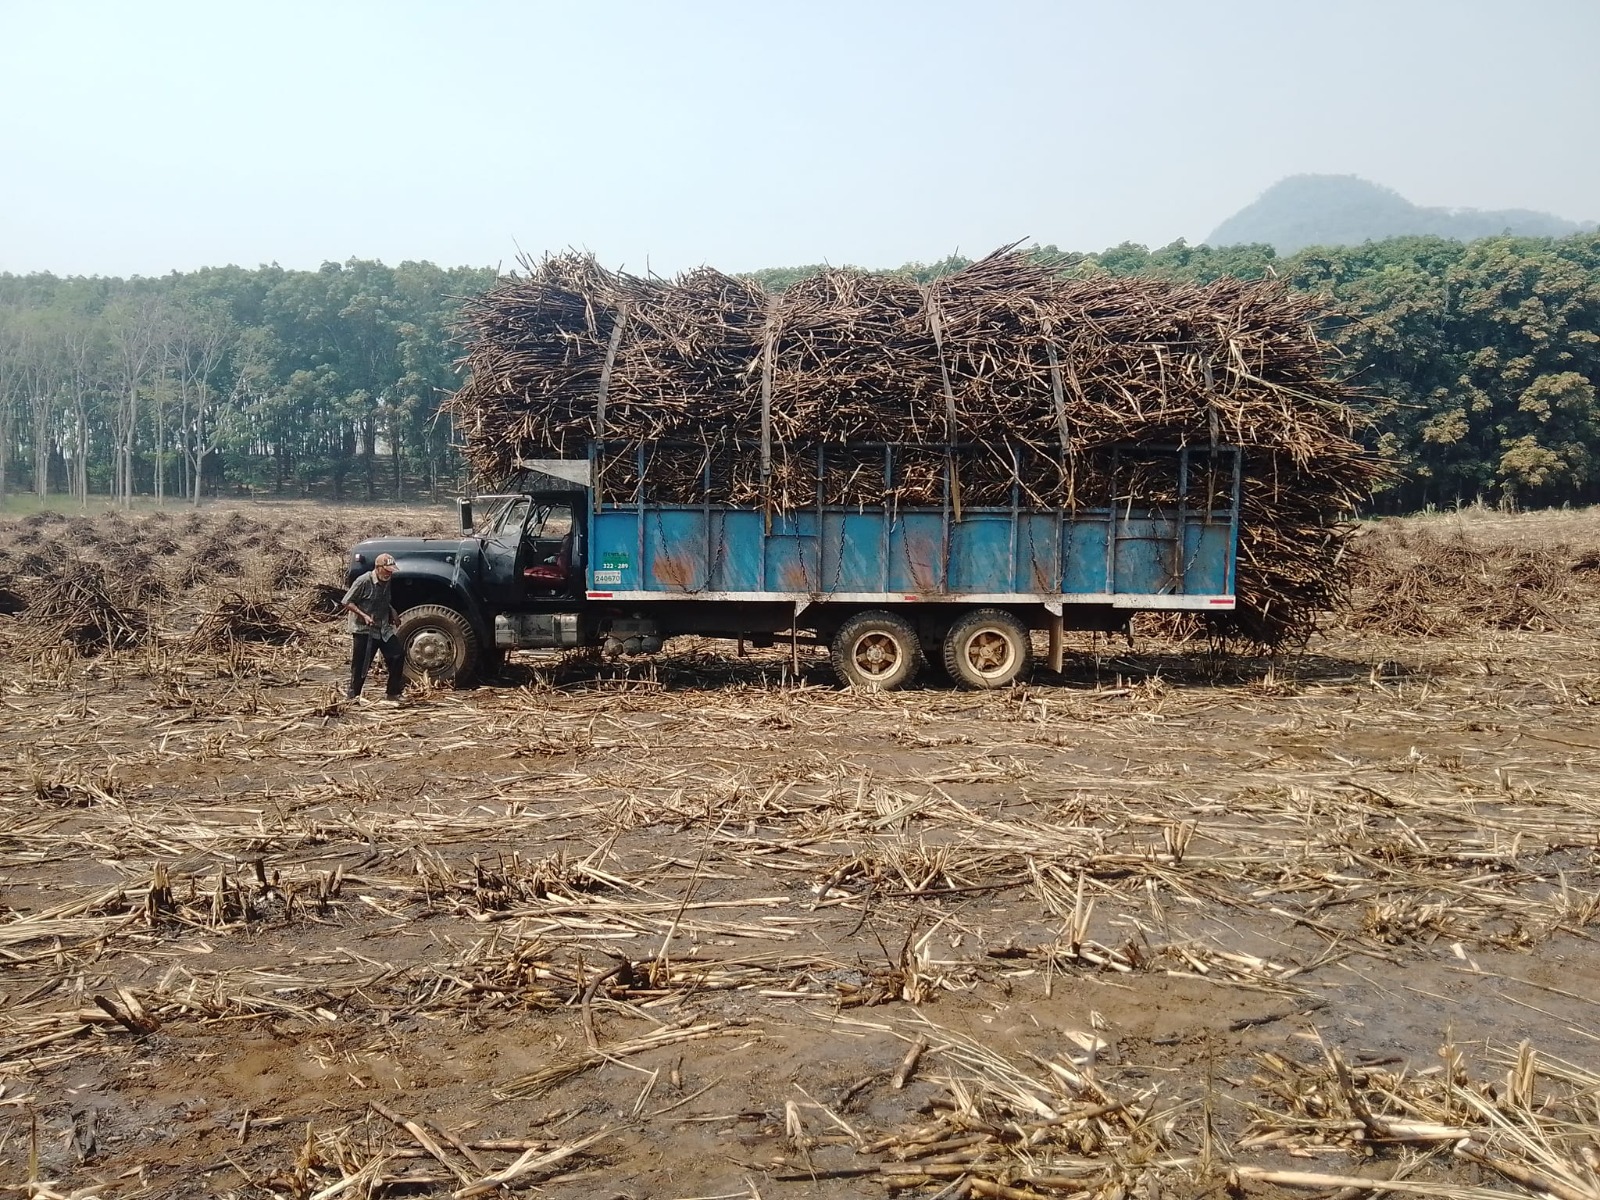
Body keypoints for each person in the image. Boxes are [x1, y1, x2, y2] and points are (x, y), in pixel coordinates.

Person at [341, 552, 406, 702]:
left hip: (382, 627)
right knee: (362, 664)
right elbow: (347, 602)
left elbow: (384, 599)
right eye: (387, 570)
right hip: (363, 629)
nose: (389, 574)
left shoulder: (387, 580)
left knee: (397, 655)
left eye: (391, 571)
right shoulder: (363, 581)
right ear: (378, 568)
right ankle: (353, 695)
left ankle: (393, 692)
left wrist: (392, 612)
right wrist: (363, 615)